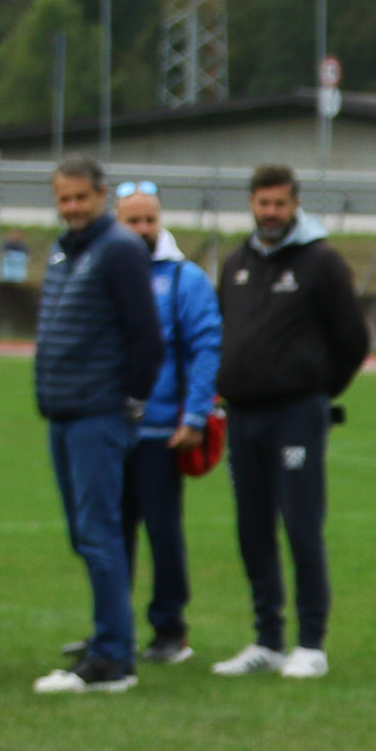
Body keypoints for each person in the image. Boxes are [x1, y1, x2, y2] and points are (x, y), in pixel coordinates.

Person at [212, 163, 367, 680]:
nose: (271, 212)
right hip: (242, 414)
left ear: (295, 204)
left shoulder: (321, 262)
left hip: (296, 414)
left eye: (280, 203)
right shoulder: (236, 262)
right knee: (252, 529)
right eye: (263, 203)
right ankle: (267, 639)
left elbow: (353, 340)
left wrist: (315, 388)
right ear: (251, 204)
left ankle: (311, 642)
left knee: (301, 526)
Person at [30, 156, 162, 698]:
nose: (72, 207)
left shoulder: (119, 249)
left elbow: (147, 337)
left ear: (101, 195)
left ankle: (112, 657)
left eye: (81, 197)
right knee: (85, 536)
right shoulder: (64, 249)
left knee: (101, 534)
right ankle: (110, 636)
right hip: (62, 412)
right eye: (64, 199)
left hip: (97, 412)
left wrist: (129, 403)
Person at [110, 181, 220, 664]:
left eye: (149, 219)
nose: (142, 229)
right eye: (132, 221)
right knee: (108, 536)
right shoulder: (100, 272)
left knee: (162, 533)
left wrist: (194, 415)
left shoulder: (183, 279)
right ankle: (111, 628)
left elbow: (205, 349)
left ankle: (170, 630)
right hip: (107, 430)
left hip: (159, 432)